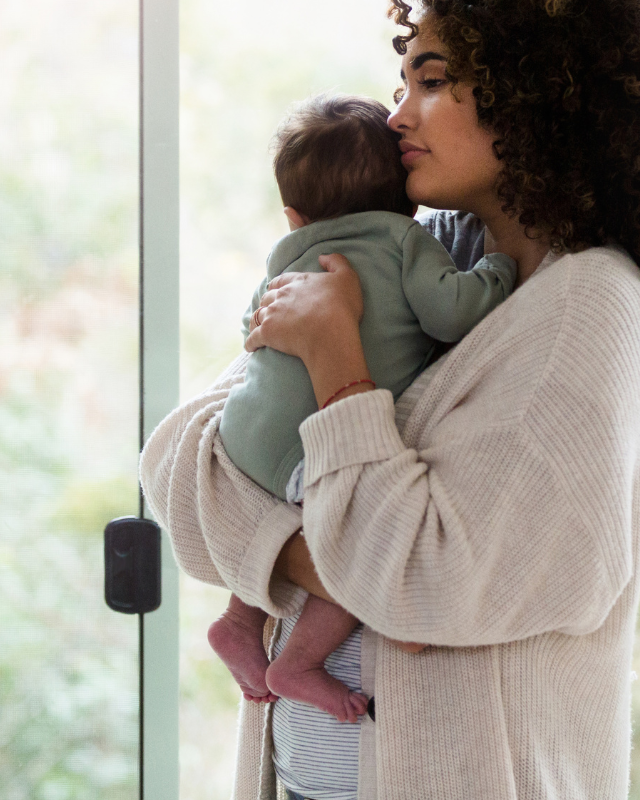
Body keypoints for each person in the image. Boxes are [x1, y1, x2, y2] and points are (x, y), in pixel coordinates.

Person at [140, 0, 640, 800]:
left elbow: (428, 585)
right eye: (403, 82)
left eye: (430, 80)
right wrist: (328, 561)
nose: (398, 115)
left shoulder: (589, 310)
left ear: (542, 91)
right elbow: (180, 461)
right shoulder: (423, 248)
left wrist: (338, 367)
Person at [207, 94, 516, 724]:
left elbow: (253, 327)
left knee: (279, 512)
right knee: (349, 539)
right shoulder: (405, 239)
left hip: (243, 432)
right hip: (312, 444)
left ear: (294, 216)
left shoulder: (286, 253)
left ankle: (240, 619)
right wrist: (498, 271)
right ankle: (299, 661)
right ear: (408, 199)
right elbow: (450, 312)